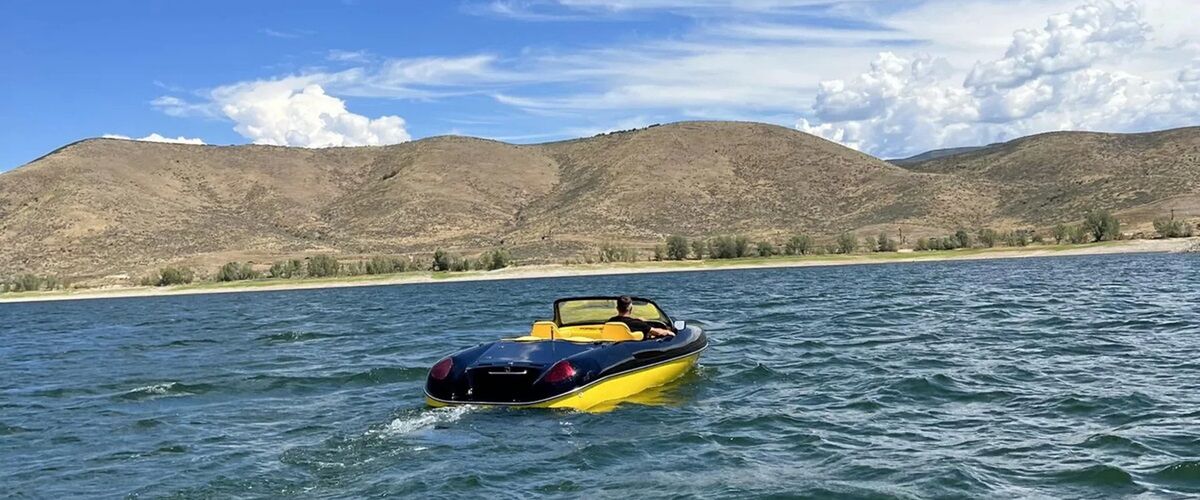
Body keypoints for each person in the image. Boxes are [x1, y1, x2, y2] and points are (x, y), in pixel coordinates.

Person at [608, 295, 675, 339]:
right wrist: (669, 332)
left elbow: (624, 320)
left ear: (617, 308)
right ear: (631, 308)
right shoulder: (637, 324)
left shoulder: (611, 322)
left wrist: (636, 320)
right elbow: (656, 332)